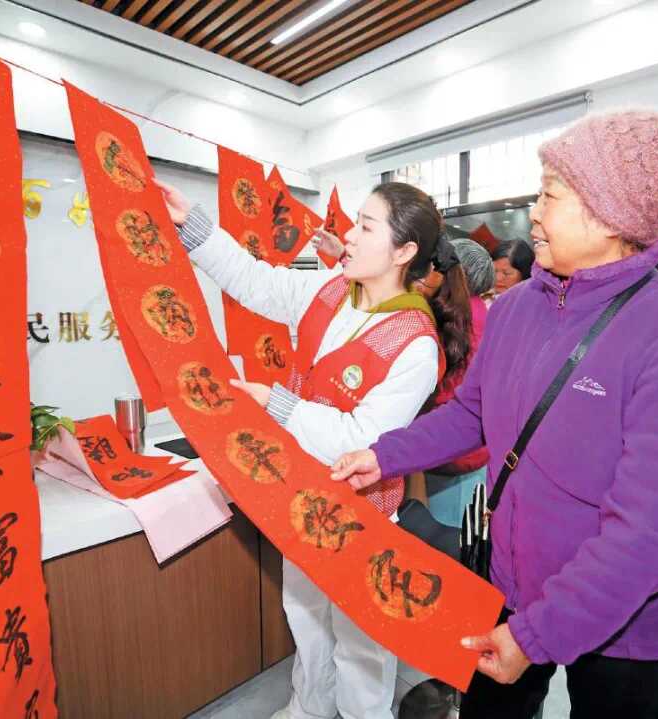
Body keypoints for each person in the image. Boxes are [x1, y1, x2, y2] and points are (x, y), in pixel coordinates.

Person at [331, 109, 658, 719]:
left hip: (626, 621)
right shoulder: (516, 307)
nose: (534, 214)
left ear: (610, 214)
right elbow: (471, 415)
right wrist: (382, 455)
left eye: (549, 195)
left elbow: (651, 531)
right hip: (512, 584)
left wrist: (537, 636)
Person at [156, 179, 468, 719]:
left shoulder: (414, 343)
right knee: (306, 619)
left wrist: (279, 406)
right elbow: (255, 282)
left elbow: (362, 441)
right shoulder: (329, 291)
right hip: (302, 495)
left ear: (403, 251)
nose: (349, 236)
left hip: (364, 513)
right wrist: (196, 226)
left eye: (365, 227)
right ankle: (307, 709)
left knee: (362, 643)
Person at [415, 239, 493, 524]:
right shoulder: (482, 313)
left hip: (451, 452)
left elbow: (445, 392)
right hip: (472, 450)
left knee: (445, 531)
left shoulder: (456, 318)